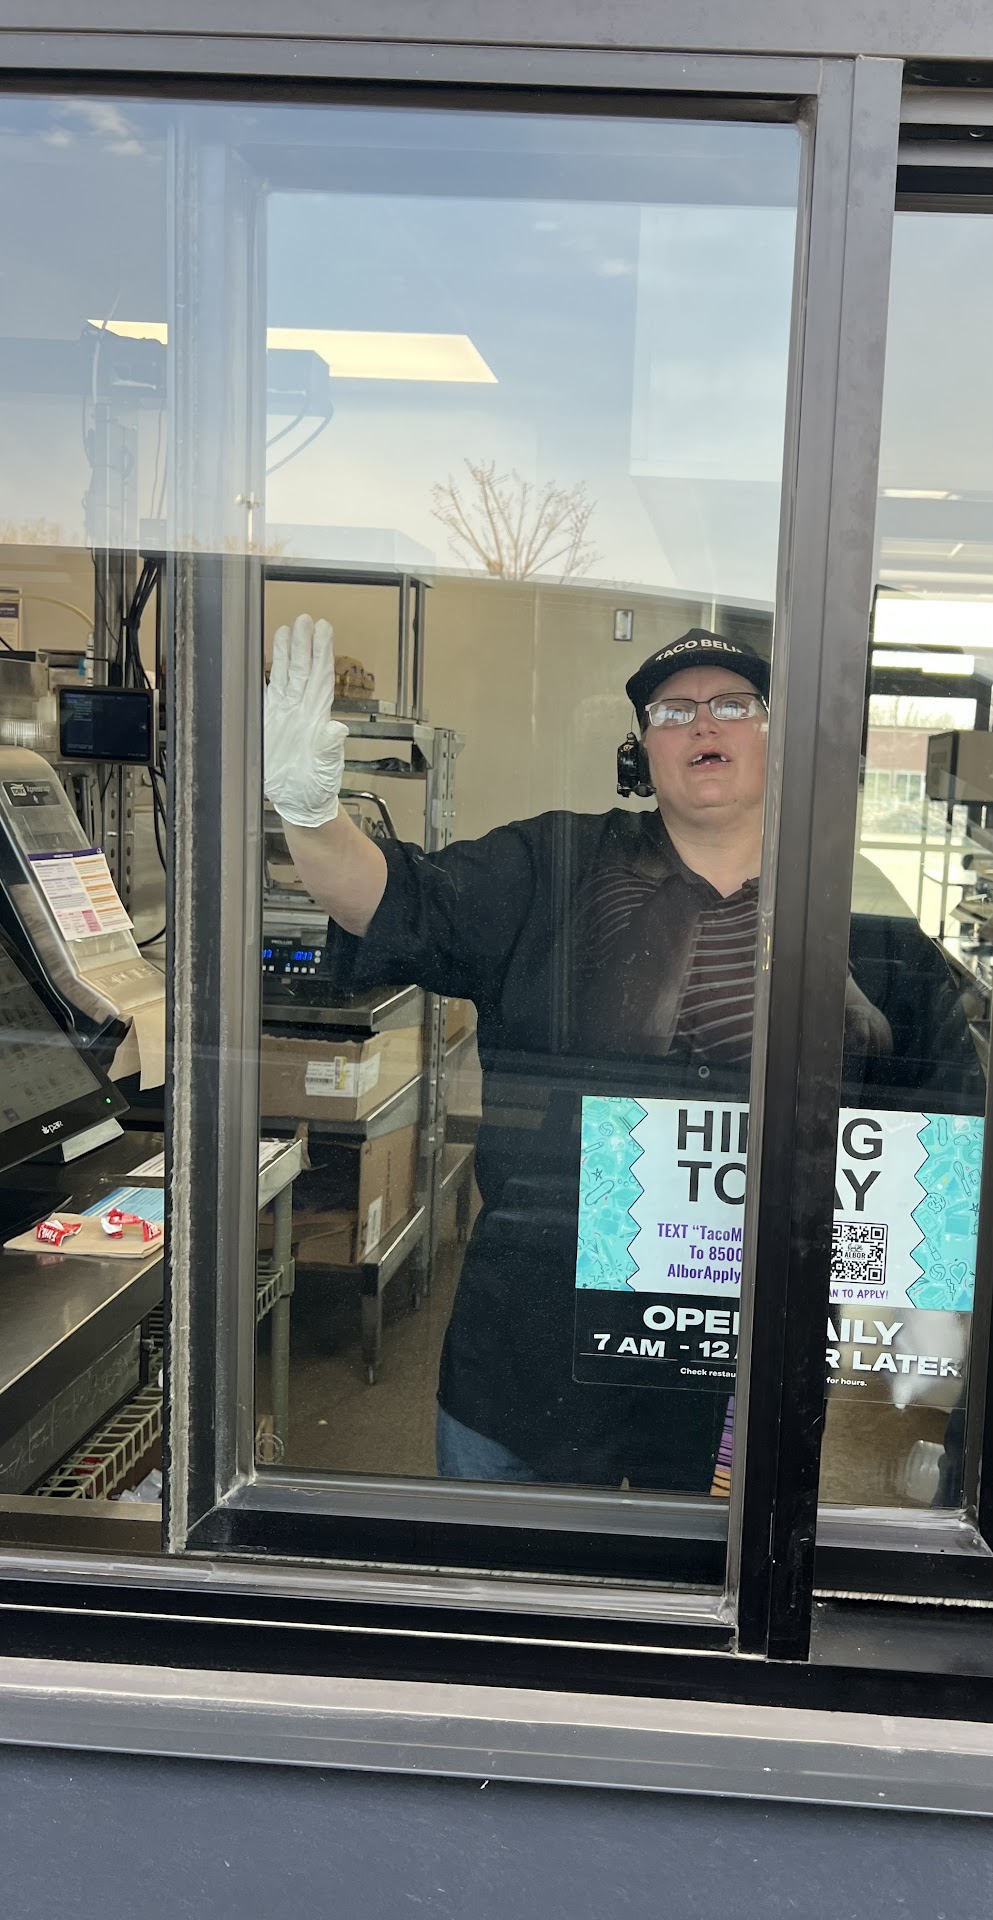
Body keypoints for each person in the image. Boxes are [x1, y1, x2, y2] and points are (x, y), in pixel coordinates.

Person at [264, 616, 981, 1491]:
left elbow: (948, 1135)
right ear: (641, 752)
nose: (702, 722)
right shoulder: (552, 864)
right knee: (512, 1577)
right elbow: (390, 899)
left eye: (733, 704)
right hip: (534, 1363)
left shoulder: (860, 920)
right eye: (671, 712)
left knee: (712, 1573)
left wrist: (927, 1334)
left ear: (778, 740)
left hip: (745, 1373)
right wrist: (311, 815)